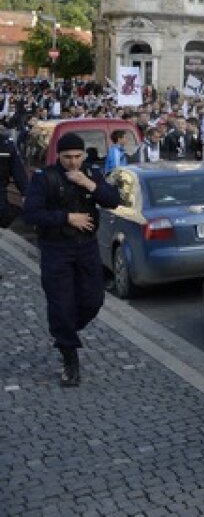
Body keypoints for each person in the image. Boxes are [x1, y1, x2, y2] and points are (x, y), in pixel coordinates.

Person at [23, 132, 121, 386]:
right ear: (59, 156)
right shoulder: (45, 178)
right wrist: (67, 218)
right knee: (61, 303)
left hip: (87, 247)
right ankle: (69, 358)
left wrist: (89, 184)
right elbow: (32, 213)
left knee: (93, 299)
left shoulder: (90, 173)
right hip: (56, 248)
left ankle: (66, 329)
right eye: (68, 157)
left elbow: (113, 200)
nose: (73, 162)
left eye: (78, 156)